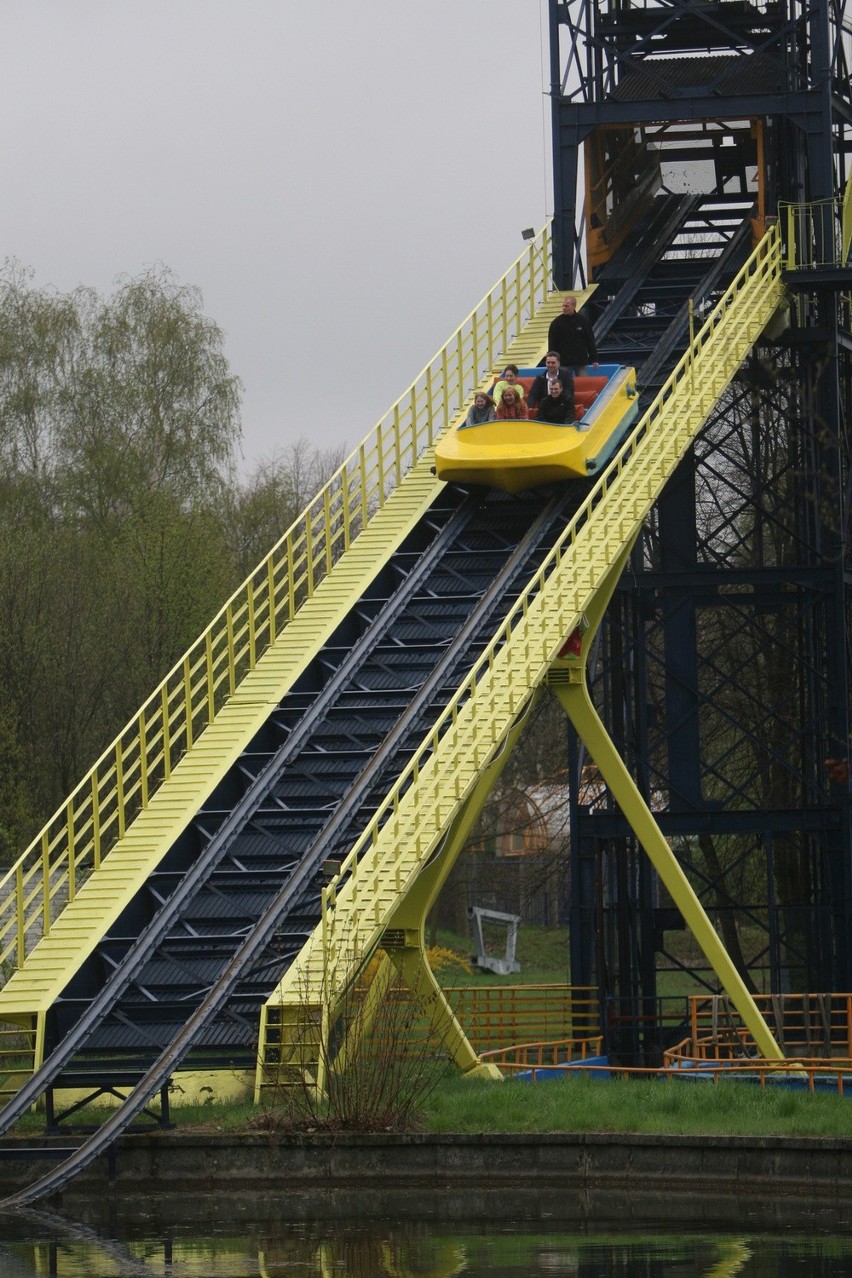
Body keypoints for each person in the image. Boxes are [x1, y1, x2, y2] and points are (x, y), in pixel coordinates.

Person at [547, 294, 598, 374]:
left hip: (581, 362)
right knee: (564, 384)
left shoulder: (583, 321)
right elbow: (552, 343)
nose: (564, 308)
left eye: (566, 306)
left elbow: (590, 340)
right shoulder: (556, 323)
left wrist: (594, 359)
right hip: (564, 363)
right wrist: (552, 360)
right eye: (563, 306)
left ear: (574, 306)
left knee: (583, 384)